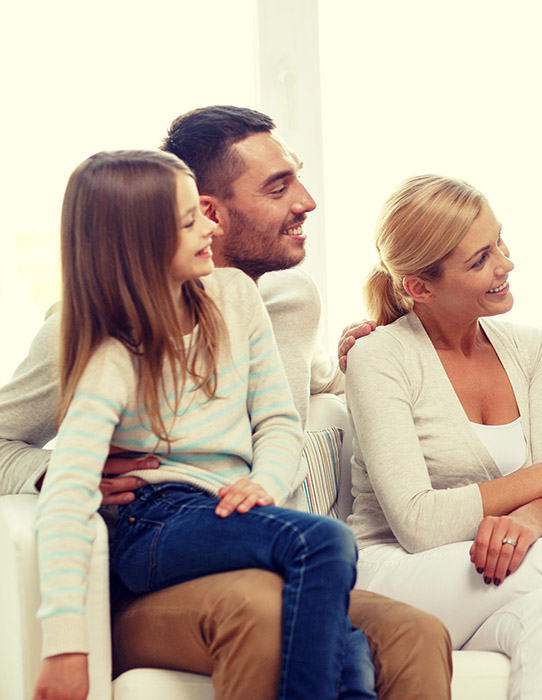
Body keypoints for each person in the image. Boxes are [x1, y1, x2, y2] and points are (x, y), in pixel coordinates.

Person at [0, 106, 451, 700]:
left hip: (256, 536)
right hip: (163, 551)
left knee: (407, 635)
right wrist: (62, 471)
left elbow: (303, 396)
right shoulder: (95, 334)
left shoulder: (277, 301)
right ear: (206, 212)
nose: (307, 201)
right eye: (278, 185)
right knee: (278, 597)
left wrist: (373, 351)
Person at [343, 174, 542, 700]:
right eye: (479, 259)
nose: (506, 264)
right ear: (420, 287)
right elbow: (419, 523)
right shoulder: (380, 357)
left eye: (500, 242)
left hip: (485, 570)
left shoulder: (534, 351)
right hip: (392, 573)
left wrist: (533, 515)